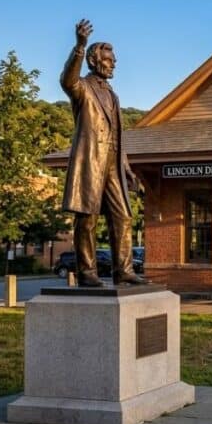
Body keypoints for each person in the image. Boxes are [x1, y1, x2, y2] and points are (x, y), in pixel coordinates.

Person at [60, 19, 147, 287]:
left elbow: (117, 138)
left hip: (112, 163)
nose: (114, 63)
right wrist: (79, 45)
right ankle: (87, 273)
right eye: (109, 60)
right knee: (87, 218)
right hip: (91, 162)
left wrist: (128, 169)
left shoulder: (113, 95)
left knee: (123, 215)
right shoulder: (82, 88)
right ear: (94, 61)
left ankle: (123, 271)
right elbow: (67, 79)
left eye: (113, 59)